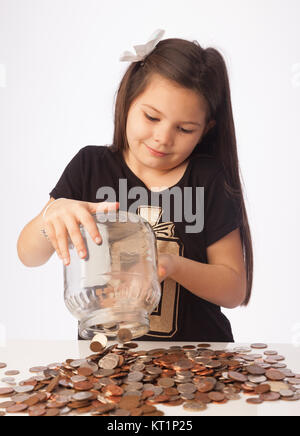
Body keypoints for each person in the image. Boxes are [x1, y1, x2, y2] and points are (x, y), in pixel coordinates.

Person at [17, 30, 253, 342]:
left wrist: (170, 265)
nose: (163, 138)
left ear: (205, 130)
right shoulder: (90, 166)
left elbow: (234, 289)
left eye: (184, 129)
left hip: (197, 361)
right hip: (106, 364)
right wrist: (52, 216)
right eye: (152, 117)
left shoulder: (209, 179)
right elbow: (28, 255)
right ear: (128, 101)